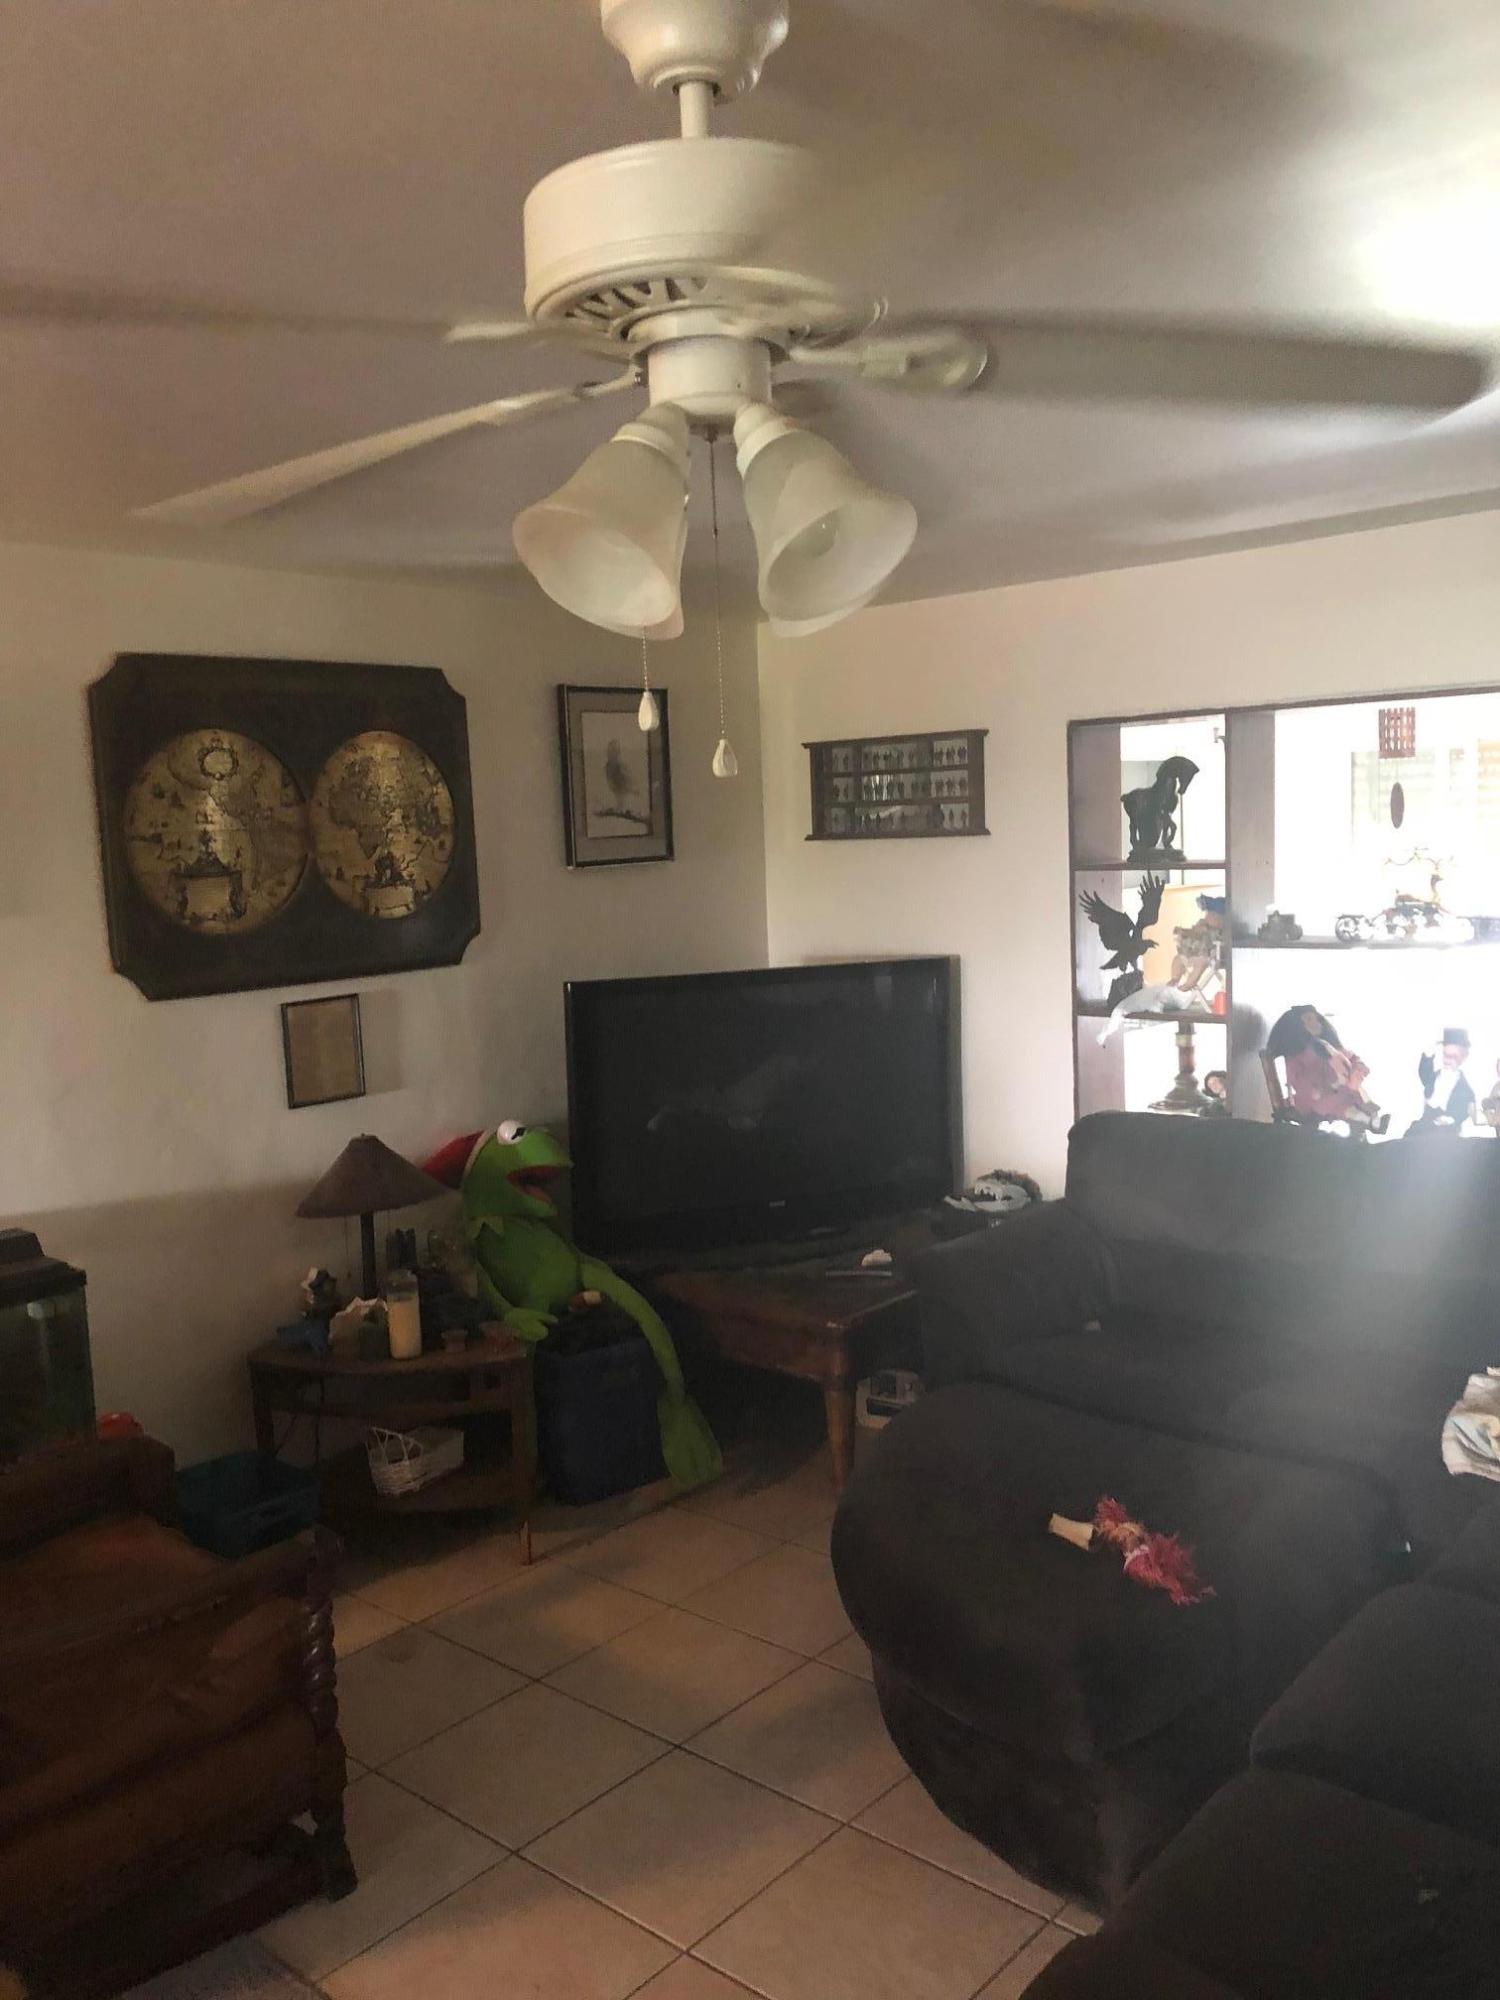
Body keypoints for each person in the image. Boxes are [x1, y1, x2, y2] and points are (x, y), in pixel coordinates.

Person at [1265, 1005, 1389, 1134]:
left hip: (1339, 1089)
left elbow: (1349, 1057)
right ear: (1297, 1026)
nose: (1316, 1023)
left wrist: (1357, 1067)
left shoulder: (1329, 1046)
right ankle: (1366, 1121)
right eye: (1309, 1019)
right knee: (1339, 1102)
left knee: (1355, 1093)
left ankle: (1372, 1119)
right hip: (1314, 1099)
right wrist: (1322, 1085)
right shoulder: (1296, 1055)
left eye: (1316, 1019)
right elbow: (1299, 1081)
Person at [1407, 1028, 1476, 1136]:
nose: (1448, 1060)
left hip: (1448, 1129)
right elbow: (1424, 1072)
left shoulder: (1464, 1088)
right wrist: (1428, 1055)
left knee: (1443, 1141)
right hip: (1425, 1123)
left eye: (1453, 1056)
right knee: (1410, 1137)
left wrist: (1452, 1119)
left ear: (1463, 1058)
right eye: (1445, 1055)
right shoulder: (1434, 1076)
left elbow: (1465, 1108)